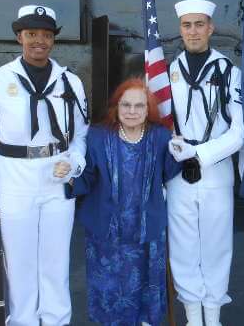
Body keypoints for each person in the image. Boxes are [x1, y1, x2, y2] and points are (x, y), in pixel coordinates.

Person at [0, 5, 89, 325]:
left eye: (46, 34)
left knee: (55, 261)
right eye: (32, 33)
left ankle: (56, 320)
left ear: (54, 40)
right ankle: (23, 320)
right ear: (19, 36)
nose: (39, 40)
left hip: (55, 175)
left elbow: (80, 137)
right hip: (13, 177)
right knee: (20, 263)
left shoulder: (70, 83)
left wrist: (74, 162)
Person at [65, 77, 180, 326]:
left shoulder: (160, 136)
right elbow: (88, 175)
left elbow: (169, 172)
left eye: (139, 106)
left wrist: (181, 154)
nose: (132, 111)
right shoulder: (97, 136)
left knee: (146, 286)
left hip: (146, 228)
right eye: (126, 105)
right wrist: (68, 178)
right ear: (116, 107)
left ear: (148, 109)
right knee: (110, 290)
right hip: (106, 231)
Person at [166, 0, 244, 326]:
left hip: (215, 170)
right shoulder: (165, 71)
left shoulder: (230, 72)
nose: (194, 31)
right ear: (180, 29)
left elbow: (240, 133)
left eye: (200, 24)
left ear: (211, 28)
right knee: (183, 248)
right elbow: (158, 121)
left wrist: (200, 154)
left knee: (215, 247)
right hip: (176, 172)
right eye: (187, 25)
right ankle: (192, 318)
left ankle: (212, 318)